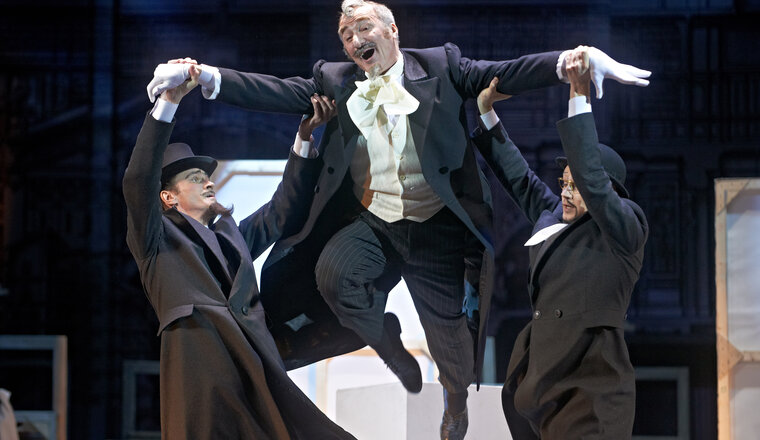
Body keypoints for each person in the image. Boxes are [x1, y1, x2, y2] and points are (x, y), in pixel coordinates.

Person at [145, 2, 650, 438]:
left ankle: (455, 401)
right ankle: (384, 338)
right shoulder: (335, 80)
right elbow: (271, 91)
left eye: (363, 28)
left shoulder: (443, 65)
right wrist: (201, 76)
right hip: (376, 223)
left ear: (392, 31)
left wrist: (570, 63)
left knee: (455, 356)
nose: (354, 40)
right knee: (334, 273)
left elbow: (510, 71)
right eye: (345, 34)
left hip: (436, 228)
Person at [123, 73, 356, 439]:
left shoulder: (233, 238)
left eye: (207, 177)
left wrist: (305, 138)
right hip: (202, 366)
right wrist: (168, 103)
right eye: (195, 178)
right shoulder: (155, 239)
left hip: (253, 363)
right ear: (168, 197)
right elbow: (139, 180)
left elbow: (281, 211)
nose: (208, 181)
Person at [471, 48, 648, 439]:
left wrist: (578, 94)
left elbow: (593, 182)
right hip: (540, 387)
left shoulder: (625, 228)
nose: (566, 192)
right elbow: (519, 178)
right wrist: (486, 111)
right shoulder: (554, 218)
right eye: (564, 183)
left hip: (590, 387)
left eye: (575, 185)